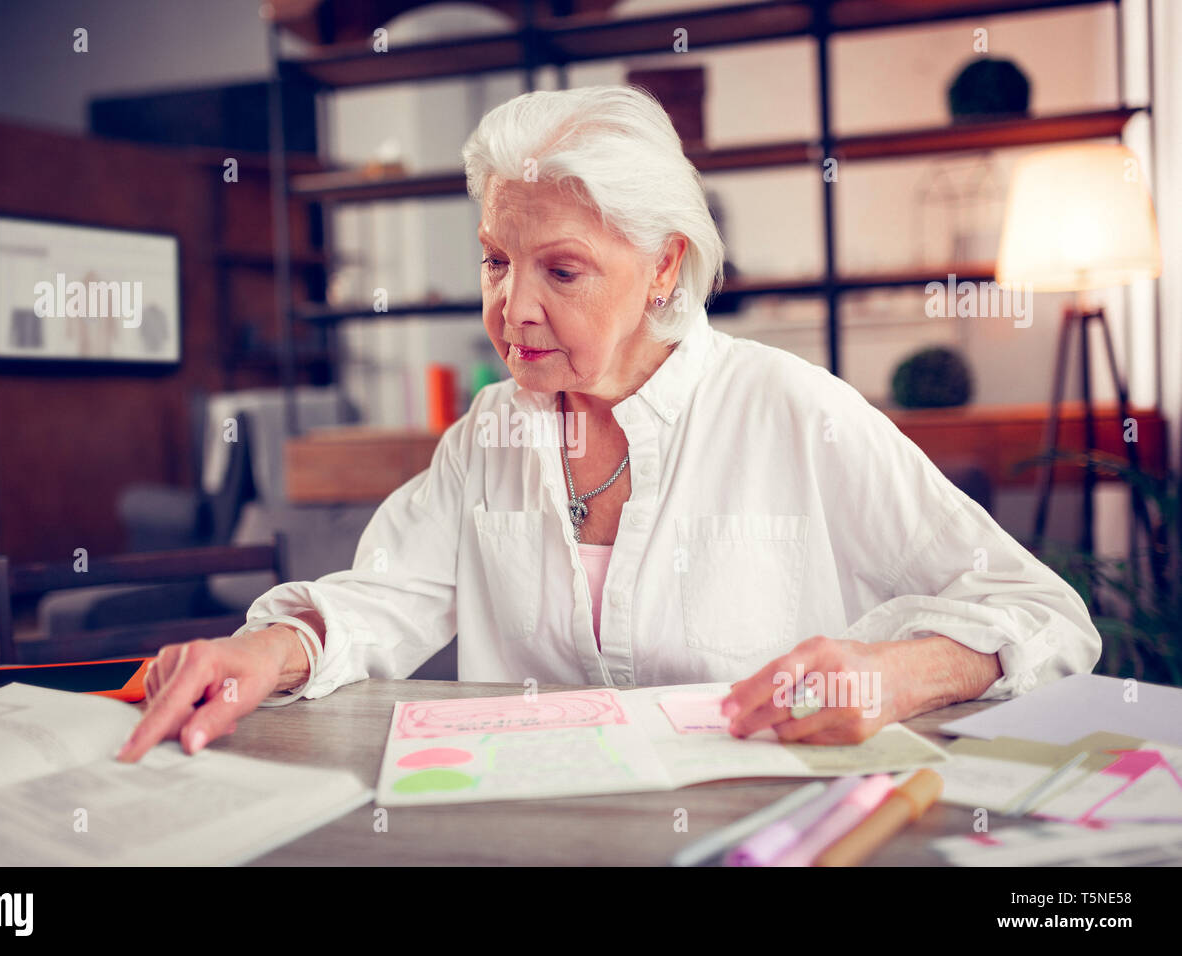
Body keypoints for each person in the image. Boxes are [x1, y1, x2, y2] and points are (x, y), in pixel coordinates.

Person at [118, 85, 1099, 763]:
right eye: (496, 261)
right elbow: (382, 596)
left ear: (664, 266)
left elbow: (1047, 612)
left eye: (562, 269)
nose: (513, 308)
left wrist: (892, 673)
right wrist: (269, 647)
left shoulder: (791, 408)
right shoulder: (490, 433)